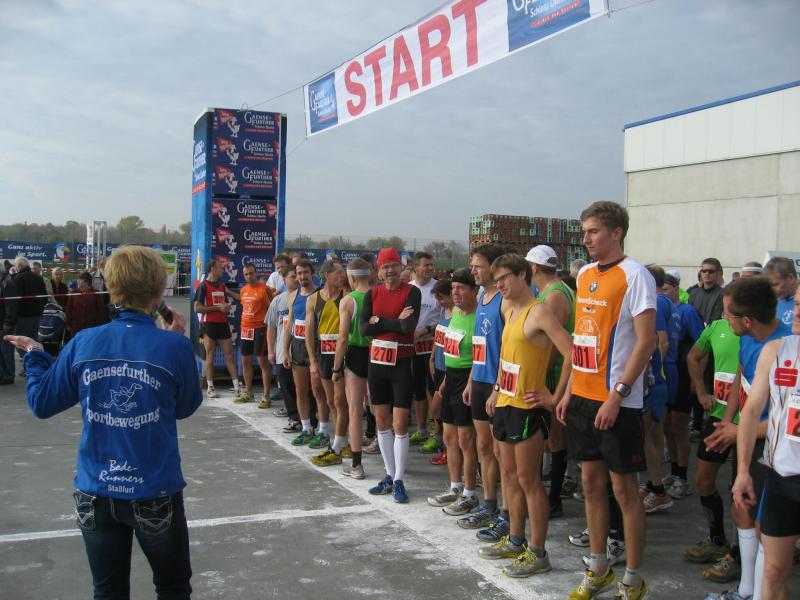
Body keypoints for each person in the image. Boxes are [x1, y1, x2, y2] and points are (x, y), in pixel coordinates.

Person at [4, 245, 202, 599]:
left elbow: (42, 402)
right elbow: (186, 407)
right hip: (153, 489)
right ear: (159, 291)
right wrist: (177, 343)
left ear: (111, 287)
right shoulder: (173, 346)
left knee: (108, 591)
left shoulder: (85, 342)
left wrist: (35, 355)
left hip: (95, 488)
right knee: (172, 588)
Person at [557, 201, 656, 600]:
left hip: (617, 402)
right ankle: (598, 567)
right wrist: (568, 389)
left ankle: (632, 578)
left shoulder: (636, 275)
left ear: (616, 233)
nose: (586, 239)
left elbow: (646, 342)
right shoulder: (583, 275)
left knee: (624, 491)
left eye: (594, 231)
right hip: (582, 397)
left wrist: (619, 394)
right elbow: (583, 336)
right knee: (590, 483)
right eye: (584, 232)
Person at [480, 253, 573, 578]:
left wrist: (554, 397)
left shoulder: (540, 312)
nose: (500, 285)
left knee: (529, 480)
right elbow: (507, 356)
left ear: (523, 275)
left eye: (504, 278)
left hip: (528, 408)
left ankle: (538, 552)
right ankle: (515, 539)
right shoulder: (510, 309)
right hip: (506, 403)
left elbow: (572, 352)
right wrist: (496, 389)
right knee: (508, 475)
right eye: (496, 280)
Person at [703, 277, 790, 600]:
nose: (725, 320)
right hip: (748, 436)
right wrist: (729, 421)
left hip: (774, 447)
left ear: (748, 320)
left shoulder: (785, 349)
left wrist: (738, 430)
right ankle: (747, 589)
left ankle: (752, 592)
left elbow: (786, 419)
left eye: (729, 315)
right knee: (742, 507)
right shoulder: (747, 339)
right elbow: (741, 376)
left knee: (764, 525)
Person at [731, 284, 800, 600]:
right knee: (773, 571)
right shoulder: (776, 350)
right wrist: (743, 471)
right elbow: (750, 412)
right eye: (796, 304)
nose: (796, 312)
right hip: (782, 477)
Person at [684, 292, 740, 578]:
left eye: (733, 312)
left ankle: (739, 555)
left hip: (749, 423)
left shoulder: (756, 334)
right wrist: (702, 391)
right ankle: (718, 540)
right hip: (719, 415)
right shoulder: (716, 327)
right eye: (726, 311)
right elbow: (693, 357)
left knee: (741, 492)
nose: (728, 316)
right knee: (703, 479)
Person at [361, 248, 421, 504]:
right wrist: (392, 321)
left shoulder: (411, 292)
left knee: (400, 423)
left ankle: (398, 479)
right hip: (377, 364)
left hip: (402, 364)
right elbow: (363, 329)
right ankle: (388, 474)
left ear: (401, 267)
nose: (390, 271)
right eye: (385, 267)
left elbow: (407, 326)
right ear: (378, 270)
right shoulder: (372, 293)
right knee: (382, 420)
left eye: (394, 266)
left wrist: (379, 321)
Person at [459, 243, 507, 533]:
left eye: (478, 265)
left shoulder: (504, 298)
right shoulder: (481, 296)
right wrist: (470, 381)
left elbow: (509, 349)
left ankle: (507, 512)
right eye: (472, 265)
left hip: (498, 384)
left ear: (493, 266)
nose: (473, 270)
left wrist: (498, 387)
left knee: (502, 453)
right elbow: (480, 345)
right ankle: (488, 504)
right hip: (479, 381)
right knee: (484, 447)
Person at [527, 244, 576, 519]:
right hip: (554, 372)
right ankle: (552, 493)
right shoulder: (554, 290)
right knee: (551, 438)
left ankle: (554, 499)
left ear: (534, 267)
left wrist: (538, 373)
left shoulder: (555, 295)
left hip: (556, 373)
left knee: (556, 438)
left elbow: (555, 344)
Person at [428, 269, 480, 517]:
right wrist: (447, 379)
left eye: (461, 288)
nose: (456, 293)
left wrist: (469, 383)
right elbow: (451, 349)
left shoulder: (479, 316)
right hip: (451, 376)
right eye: (453, 288)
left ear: (474, 291)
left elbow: (479, 356)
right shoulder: (456, 313)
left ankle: (469, 493)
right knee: (449, 438)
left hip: (469, 378)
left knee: (465, 440)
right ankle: (455, 486)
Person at [662, 272, 704, 499]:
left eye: (666, 289)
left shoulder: (687, 312)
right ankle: (673, 471)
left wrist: (698, 380)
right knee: (667, 426)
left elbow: (703, 347)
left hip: (682, 371)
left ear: (676, 288)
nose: (662, 293)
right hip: (666, 371)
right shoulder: (661, 310)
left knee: (679, 426)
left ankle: (682, 477)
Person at [638, 265, 675, 514]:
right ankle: (655, 486)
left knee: (645, 438)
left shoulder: (654, 305)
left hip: (651, 385)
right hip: (655, 382)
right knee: (651, 438)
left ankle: (659, 490)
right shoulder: (657, 303)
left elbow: (661, 343)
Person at [333, 258, 372, 479]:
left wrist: (336, 368)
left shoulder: (348, 301)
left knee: (355, 411)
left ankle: (357, 465)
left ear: (352, 277)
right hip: (377, 354)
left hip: (356, 355)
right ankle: (393, 468)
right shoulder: (378, 295)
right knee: (381, 410)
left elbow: (342, 338)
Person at [306, 260, 349, 464]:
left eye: (343, 272)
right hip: (324, 353)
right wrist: (312, 361)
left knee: (340, 401)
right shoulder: (313, 299)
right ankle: (342, 441)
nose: (343, 275)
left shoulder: (346, 297)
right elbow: (308, 334)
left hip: (342, 353)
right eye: (338, 272)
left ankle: (338, 445)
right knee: (331, 401)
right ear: (327, 275)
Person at [283, 259, 320, 446]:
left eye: (306, 272)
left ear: (312, 273)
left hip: (316, 347)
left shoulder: (320, 294)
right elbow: (289, 324)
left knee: (319, 392)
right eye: (299, 273)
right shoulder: (293, 295)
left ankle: (323, 429)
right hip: (297, 347)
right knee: (301, 390)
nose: (302, 276)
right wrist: (285, 350)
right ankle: (306, 428)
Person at [193, 260, 240, 399]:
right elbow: (197, 308)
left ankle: (237, 386)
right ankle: (210, 387)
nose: (223, 271)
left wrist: (226, 307)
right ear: (213, 268)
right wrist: (217, 308)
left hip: (223, 323)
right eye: (220, 268)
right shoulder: (203, 286)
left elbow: (224, 304)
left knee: (229, 355)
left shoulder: (221, 286)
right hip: (209, 324)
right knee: (210, 355)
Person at [233, 262, 276, 406]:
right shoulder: (243, 290)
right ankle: (248, 393)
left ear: (256, 273)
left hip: (260, 329)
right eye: (246, 274)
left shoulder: (264, 289)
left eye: (251, 273)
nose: (249, 276)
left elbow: (272, 308)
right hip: (245, 328)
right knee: (245, 361)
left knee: (263, 362)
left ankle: (266, 396)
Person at [421, 279, 454, 460]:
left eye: (441, 298)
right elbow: (438, 337)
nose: (439, 302)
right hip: (439, 365)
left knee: (437, 409)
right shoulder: (443, 311)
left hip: (449, 369)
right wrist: (432, 357)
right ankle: (444, 442)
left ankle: (448, 445)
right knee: (438, 410)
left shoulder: (457, 315)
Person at [409, 252, 438, 446]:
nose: (430, 268)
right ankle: (421, 429)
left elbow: (447, 318)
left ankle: (436, 431)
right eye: (426, 265)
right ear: (415, 267)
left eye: (431, 265)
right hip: (412, 347)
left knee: (432, 388)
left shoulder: (437, 288)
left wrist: (426, 330)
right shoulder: (408, 289)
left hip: (432, 346)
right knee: (418, 388)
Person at [266, 264, 300, 429]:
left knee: (304, 389)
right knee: (287, 388)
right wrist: (270, 350)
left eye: (298, 275)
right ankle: (294, 418)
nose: (297, 279)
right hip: (282, 352)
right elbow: (271, 327)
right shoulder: (277, 301)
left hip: (301, 352)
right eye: (293, 276)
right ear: (284, 279)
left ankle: (309, 420)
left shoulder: (308, 297)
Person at [3, 256, 48, 376]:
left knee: (20, 343)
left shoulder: (18, 278)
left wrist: (11, 318)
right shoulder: (38, 277)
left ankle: (29, 366)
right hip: (37, 315)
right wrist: (40, 309)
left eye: (16, 266)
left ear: (19, 266)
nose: (15, 268)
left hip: (23, 316)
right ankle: (36, 364)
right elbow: (45, 296)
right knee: (33, 341)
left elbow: (15, 301)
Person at [763, 256, 798, 327]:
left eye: (776, 284)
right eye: (769, 286)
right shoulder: (772, 303)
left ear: (790, 278)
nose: (771, 290)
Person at [690, 258, 724, 325]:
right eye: (704, 271)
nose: (707, 273)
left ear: (717, 273)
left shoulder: (723, 294)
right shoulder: (693, 293)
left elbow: (717, 320)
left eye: (711, 271)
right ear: (701, 273)